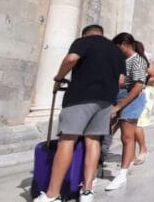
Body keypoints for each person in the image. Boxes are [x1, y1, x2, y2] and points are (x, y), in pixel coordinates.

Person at [34, 25, 125, 202]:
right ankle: (87, 191)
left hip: (80, 97)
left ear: (85, 34)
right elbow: (121, 81)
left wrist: (58, 78)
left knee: (68, 139)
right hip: (105, 100)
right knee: (94, 141)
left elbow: (71, 59)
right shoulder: (116, 51)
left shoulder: (84, 41)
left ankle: (52, 194)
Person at [105, 33, 149, 191]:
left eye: (116, 47)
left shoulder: (138, 60)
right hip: (119, 97)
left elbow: (138, 86)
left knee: (127, 136)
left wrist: (119, 106)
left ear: (124, 44)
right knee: (107, 132)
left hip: (132, 99)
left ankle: (122, 174)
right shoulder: (123, 60)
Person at [133, 42, 154, 166]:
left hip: (144, 93)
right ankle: (129, 155)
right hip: (132, 93)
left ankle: (143, 150)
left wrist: (140, 81)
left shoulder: (146, 61)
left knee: (137, 123)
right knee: (129, 124)